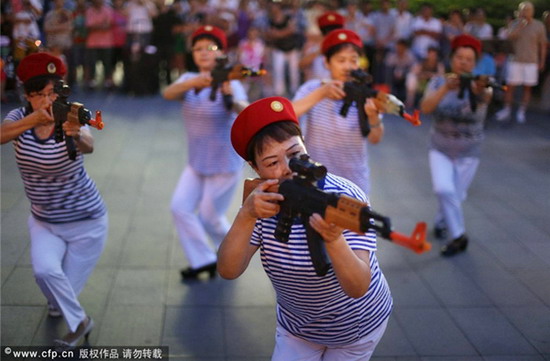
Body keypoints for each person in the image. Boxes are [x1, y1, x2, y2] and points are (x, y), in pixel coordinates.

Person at [218, 96, 392, 360]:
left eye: (294, 155)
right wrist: (246, 215)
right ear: (255, 167)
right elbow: (229, 270)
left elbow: (358, 287)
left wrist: (334, 241)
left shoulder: (345, 196)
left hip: (356, 327)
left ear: (304, 144)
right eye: (272, 163)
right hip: (296, 327)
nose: (288, 170)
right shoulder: (262, 200)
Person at [0, 53, 108, 346]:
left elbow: (89, 145)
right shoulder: (18, 118)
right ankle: (78, 319)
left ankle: (74, 318)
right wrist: (35, 118)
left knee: (60, 293)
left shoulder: (70, 113)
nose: (49, 100)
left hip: (86, 221)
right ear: (28, 95)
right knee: (45, 273)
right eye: (42, 94)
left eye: (54, 92)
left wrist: (76, 135)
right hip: (44, 220)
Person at [162, 25, 248, 281]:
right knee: (179, 208)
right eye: (198, 48)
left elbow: (244, 110)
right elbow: (168, 93)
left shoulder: (230, 82)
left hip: (224, 164)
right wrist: (195, 82)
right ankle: (205, 259)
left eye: (210, 48)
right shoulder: (189, 80)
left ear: (221, 53)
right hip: (197, 162)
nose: (203, 53)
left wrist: (229, 97)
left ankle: (236, 252)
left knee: (210, 217)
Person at [420, 34, 492, 257]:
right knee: (444, 189)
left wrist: (480, 87)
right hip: (440, 147)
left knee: (455, 196)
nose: (463, 62)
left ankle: (441, 222)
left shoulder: (481, 84)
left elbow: (487, 95)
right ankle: (458, 236)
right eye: (459, 57)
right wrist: (444, 89)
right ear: (452, 58)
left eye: (469, 59)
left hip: (469, 151)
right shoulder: (438, 82)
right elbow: (425, 107)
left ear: (475, 63)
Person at [292, 29, 385, 195]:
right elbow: (290, 113)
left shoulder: (365, 95)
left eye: (353, 60)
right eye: (341, 60)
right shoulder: (312, 88)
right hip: (316, 178)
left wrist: (372, 116)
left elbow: (375, 138)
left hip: (354, 182)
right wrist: (321, 93)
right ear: (326, 63)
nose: (348, 66)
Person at [494, 1, 547, 124]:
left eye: (527, 10)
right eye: (523, 10)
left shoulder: (539, 26)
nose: (525, 12)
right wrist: (519, 26)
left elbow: (542, 45)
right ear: (519, 11)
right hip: (515, 60)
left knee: (527, 88)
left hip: (531, 61)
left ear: (532, 11)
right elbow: (508, 38)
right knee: (510, 86)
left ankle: (521, 112)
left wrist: (542, 61)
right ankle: (506, 109)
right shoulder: (514, 24)